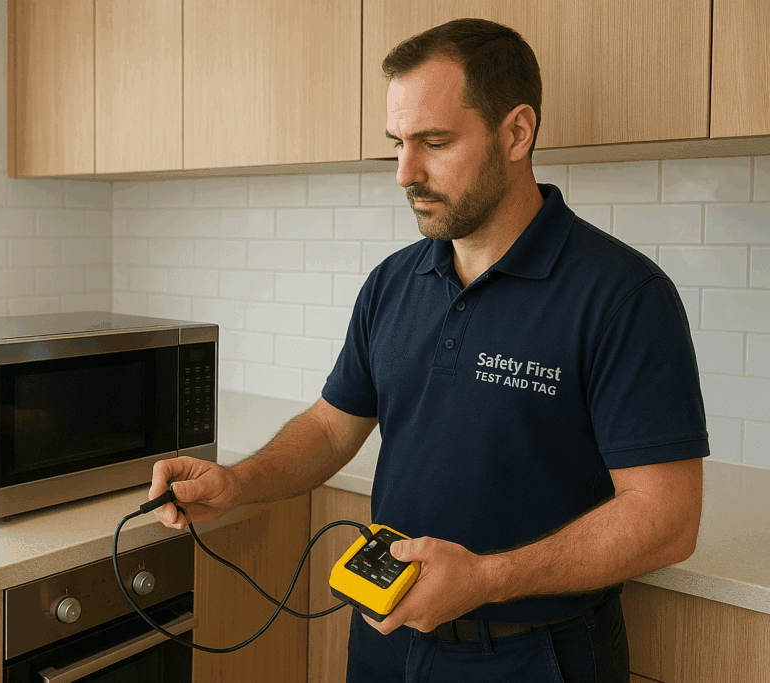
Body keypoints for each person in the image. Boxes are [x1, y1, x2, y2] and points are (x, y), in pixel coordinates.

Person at [149, 17, 707, 683]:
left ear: (517, 132)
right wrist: (237, 482)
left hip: (535, 654)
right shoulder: (392, 282)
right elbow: (331, 428)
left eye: (434, 142)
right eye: (399, 143)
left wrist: (488, 577)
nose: (404, 172)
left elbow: (667, 518)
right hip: (385, 639)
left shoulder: (622, 294)